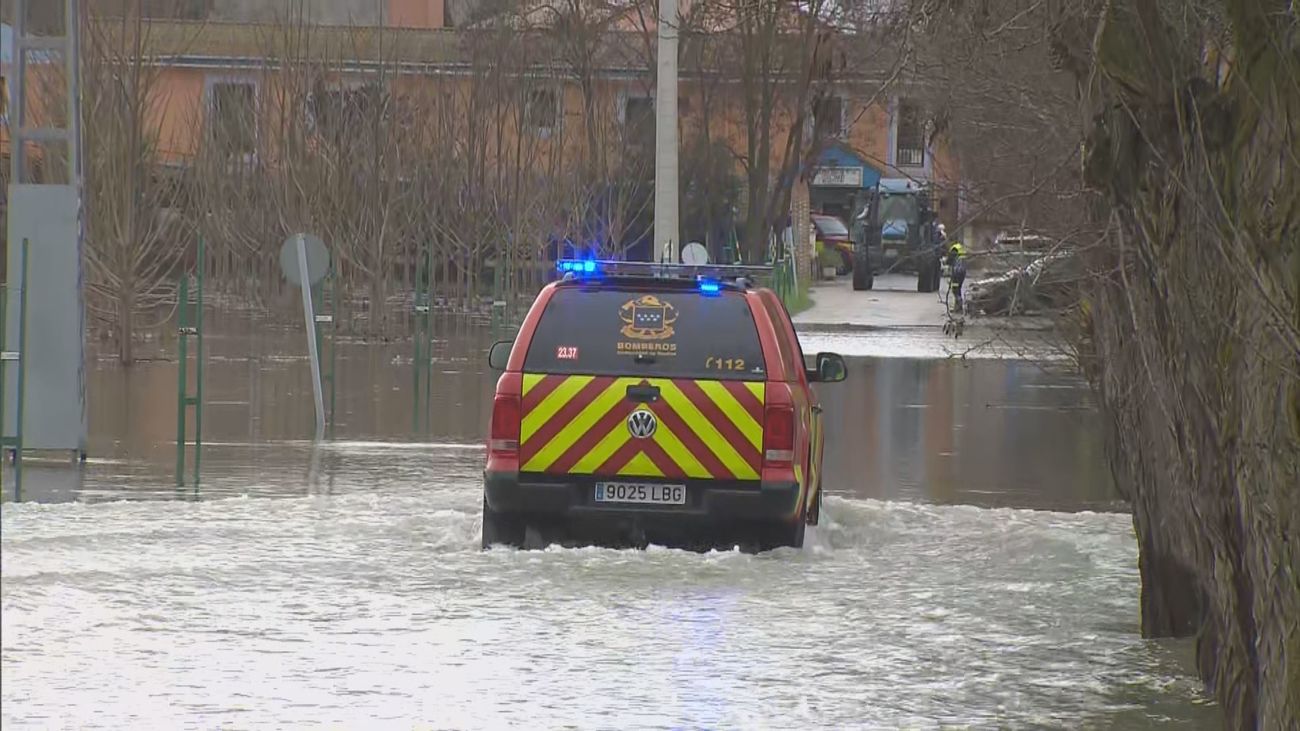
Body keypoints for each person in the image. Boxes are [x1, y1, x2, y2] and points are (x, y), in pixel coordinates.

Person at [946, 241, 968, 314]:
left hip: (957, 271)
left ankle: (958, 307)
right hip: (963, 271)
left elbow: (950, 260)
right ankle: (958, 307)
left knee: (955, 289)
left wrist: (945, 261)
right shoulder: (961, 248)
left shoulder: (954, 248)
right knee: (958, 288)